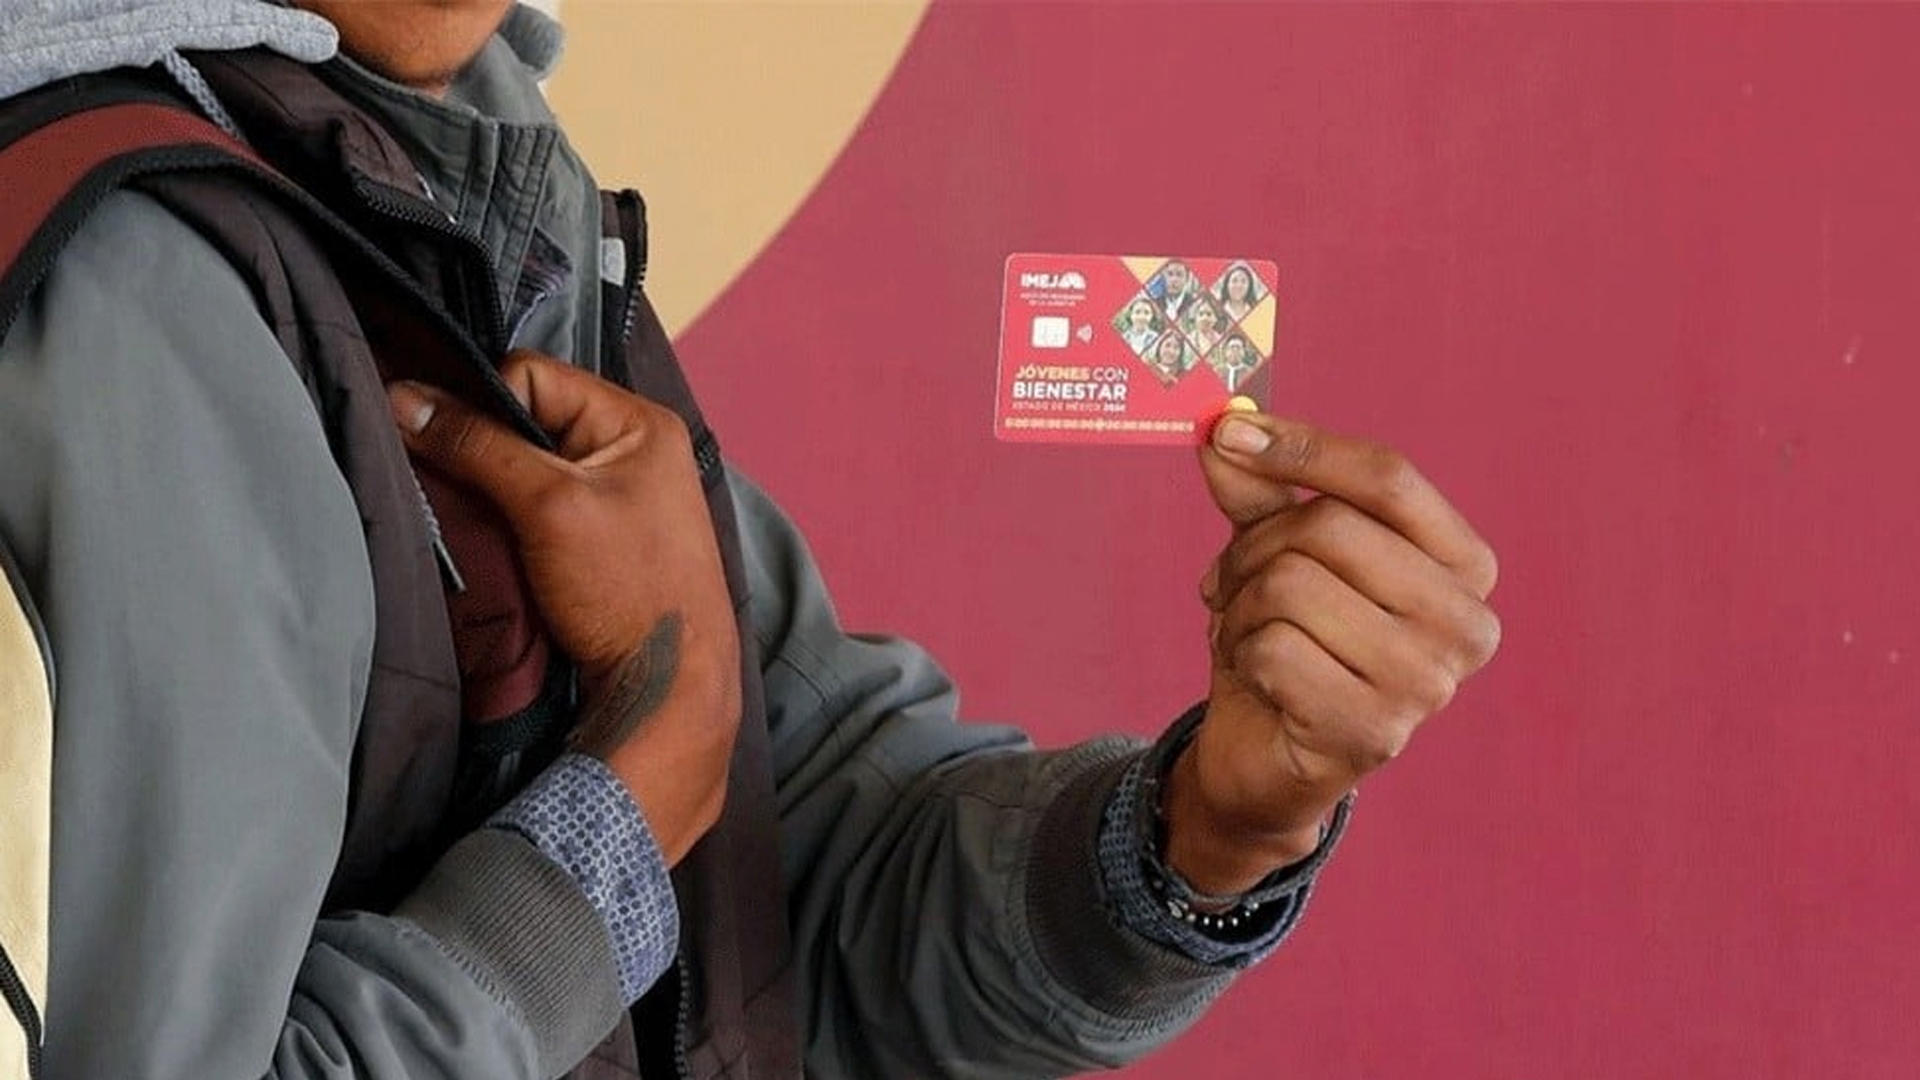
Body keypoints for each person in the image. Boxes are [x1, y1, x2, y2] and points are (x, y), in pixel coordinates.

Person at [0, 4, 1502, 1080]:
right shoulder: (136, 293)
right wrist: (626, 802)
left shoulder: (463, 175)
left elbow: (809, 897)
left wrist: (1209, 835)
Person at [1151, 259, 1202, 323]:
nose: (1174, 280)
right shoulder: (1155, 303)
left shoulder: (1194, 303)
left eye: (1179, 275)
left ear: (1187, 279)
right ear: (1164, 277)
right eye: (1170, 274)